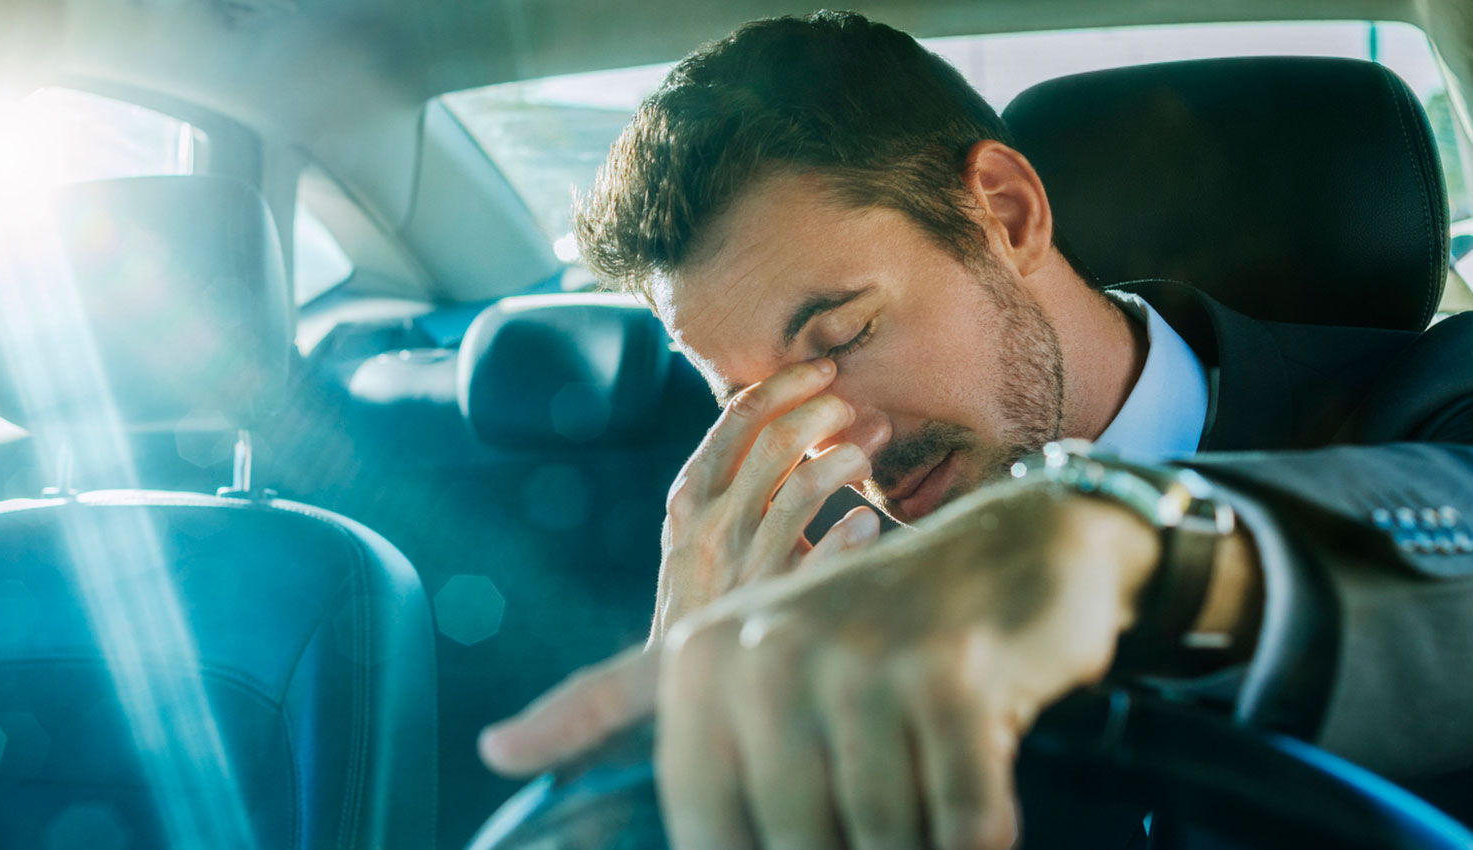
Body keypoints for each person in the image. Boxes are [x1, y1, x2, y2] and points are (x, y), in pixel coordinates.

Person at [474, 11, 1473, 850]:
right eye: (752, 402)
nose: (838, 445)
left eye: (843, 335)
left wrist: (1136, 544)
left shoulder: (1428, 393)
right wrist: (693, 757)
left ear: (1005, 210)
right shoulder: (812, 622)